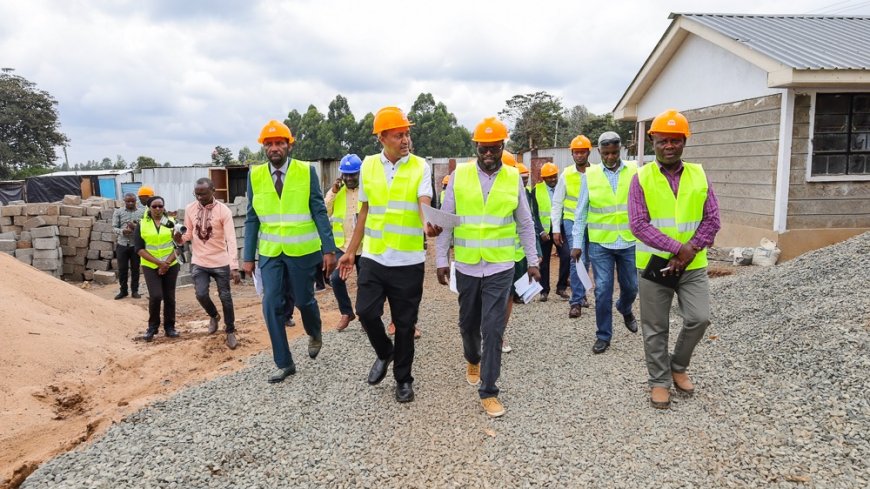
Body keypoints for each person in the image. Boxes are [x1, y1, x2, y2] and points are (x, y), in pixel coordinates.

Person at [434, 117, 540, 418]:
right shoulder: (460, 176)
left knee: (493, 328)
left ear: (503, 146)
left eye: (494, 149)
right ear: (475, 147)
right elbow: (446, 220)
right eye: (484, 149)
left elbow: (525, 222)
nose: (489, 154)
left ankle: (490, 389)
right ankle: (472, 358)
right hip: (467, 265)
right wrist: (442, 259)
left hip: (500, 266)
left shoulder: (511, 178)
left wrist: (532, 261)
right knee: (468, 325)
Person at [337, 106, 433, 404]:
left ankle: (403, 380)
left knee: (405, 325)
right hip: (375, 257)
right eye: (399, 134)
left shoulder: (420, 166)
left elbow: (423, 201)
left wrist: (428, 222)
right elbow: (364, 211)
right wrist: (351, 252)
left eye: (407, 133)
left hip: (408, 261)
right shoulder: (368, 166)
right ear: (382, 137)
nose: (406, 139)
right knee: (365, 312)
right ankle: (384, 352)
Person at [628, 109, 720, 410]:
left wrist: (689, 249)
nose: (669, 146)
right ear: (653, 141)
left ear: (684, 142)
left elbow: (712, 219)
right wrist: (675, 248)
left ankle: (677, 365)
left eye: (676, 141)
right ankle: (659, 382)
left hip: (692, 265)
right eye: (663, 141)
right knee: (655, 326)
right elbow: (638, 224)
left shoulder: (699, 174)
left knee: (699, 318)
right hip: (655, 266)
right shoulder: (641, 178)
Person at [243, 120, 337, 383]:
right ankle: (284, 363)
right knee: (271, 303)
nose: (275, 148)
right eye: (269, 144)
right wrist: (248, 256)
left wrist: (329, 249)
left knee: (304, 301)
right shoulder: (255, 175)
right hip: (271, 252)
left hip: (302, 250)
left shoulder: (306, 171)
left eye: (279, 143)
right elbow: (252, 218)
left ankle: (314, 331)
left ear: (289, 144)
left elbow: (319, 209)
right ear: (264, 147)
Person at [571, 132, 639, 355]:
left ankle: (624, 307)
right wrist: (577, 243)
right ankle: (603, 335)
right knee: (603, 291)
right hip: (601, 244)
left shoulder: (634, 170)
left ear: (620, 150)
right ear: (599, 152)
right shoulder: (589, 176)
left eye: (614, 152)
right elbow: (580, 214)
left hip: (628, 241)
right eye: (606, 153)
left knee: (631, 286)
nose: (611, 157)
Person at [175, 178, 242, 350]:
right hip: (199, 261)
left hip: (220, 262)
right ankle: (214, 316)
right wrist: (179, 239)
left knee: (225, 297)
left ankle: (230, 330)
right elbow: (188, 234)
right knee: (201, 294)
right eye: (196, 194)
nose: (199, 197)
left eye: (203, 194)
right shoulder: (190, 209)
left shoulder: (224, 211)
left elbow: (231, 239)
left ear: (213, 191)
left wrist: (234, 266)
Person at [552, 135, 592, 317]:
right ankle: (575, 302)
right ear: (572, 154)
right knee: (578, 259)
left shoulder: (596, 173)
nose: (579, 155)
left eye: (582, 152)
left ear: (589, 152)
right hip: (571, 221)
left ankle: (582, 295)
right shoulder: (567, 174)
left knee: (588, 259)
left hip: (592, 221)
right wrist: (556, 229)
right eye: (576, 152)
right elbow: (557, 202)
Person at [134, 196, 180, 341]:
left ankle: (170, 328)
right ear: (149, 208)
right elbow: (139, 249)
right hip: (150, 265)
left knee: (169, 297)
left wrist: (166, 263)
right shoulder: (142, 224)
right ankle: (152, 328)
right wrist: (159, 264)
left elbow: (179, 246)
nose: (158, 209)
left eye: (160, 206)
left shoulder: (172, 223)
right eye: (154, 206)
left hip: (171, 264)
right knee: (155, 296)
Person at [325, 154, 362, 331]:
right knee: (335, 279)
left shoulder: (367, 191)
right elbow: (324, 210)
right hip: (343, 246)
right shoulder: (336, 192)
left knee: (366, 282)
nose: (348, 178)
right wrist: (333, 191)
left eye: (352, 174)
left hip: (365, 246)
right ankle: (347, 313)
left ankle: (365, 315)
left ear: (359, 173)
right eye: (345, 175)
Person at [531, 163, 569, 302]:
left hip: (561, 229)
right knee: (544, 261)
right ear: (543, 178)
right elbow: (534, 213)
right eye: (549, 177)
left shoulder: (563, 187)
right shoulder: (536, 190)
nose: (553, 180)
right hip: (545, 231)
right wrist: (540, 231)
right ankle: (544, 290)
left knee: (566, 255)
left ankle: (561, 287)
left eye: (554, 176)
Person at [112, 192, 144, 300]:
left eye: (133, 201)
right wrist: (123, 231)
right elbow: (114, 228)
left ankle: (135, 291)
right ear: (124, 201)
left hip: (136, 246)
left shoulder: (142, 212)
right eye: (128, 201)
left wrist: (136, 228)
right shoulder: (118, 212)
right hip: (122, 245)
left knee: (135, 269)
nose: (130, 203)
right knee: (122, 269)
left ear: (136, 201)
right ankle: (123, 291)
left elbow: (145, 228)